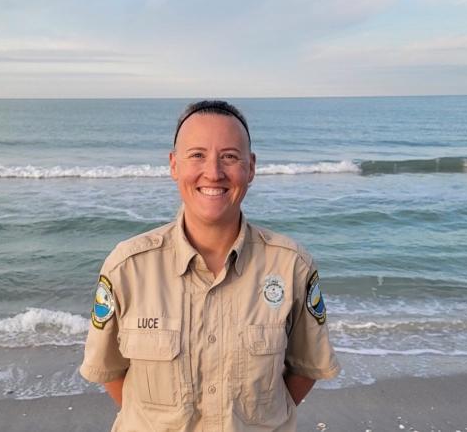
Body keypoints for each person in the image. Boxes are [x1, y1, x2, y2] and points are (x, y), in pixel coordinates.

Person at [80, 100, 340, 431]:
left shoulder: (291, 265)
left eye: (230, 157)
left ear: (251, 167)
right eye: (197, 155)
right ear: (174, 165)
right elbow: (111, 372)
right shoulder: (127, 268)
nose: (213, 172)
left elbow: (306, 367)